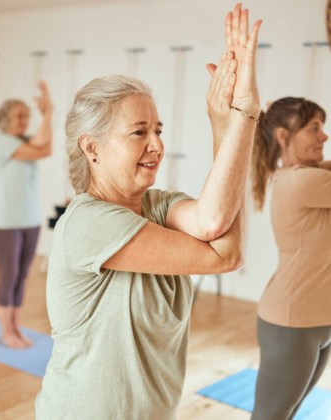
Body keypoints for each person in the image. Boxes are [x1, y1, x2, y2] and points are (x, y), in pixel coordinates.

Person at [35, 4, 262, 419]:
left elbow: (215, 219)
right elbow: (223, 249)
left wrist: (224, 121)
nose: (155, 144)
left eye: (157, 130)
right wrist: (244, 117)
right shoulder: (88, 222)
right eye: (138, 132)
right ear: (92, 148)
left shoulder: (159, 206)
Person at [250, 97, 329, 420]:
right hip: (291, 323)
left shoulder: (309, 176)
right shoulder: (301, 181)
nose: (324, 136)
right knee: (272, 414)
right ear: (284, 137)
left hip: (319, 319)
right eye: (314, 128)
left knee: (289, 411)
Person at [0, 81, 53, 349]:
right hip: (5, 223)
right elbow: (42, 146)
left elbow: (46, 147)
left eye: (27, 116)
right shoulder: (3, 143)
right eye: (19, 116)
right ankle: (6, 332)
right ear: (5, 121)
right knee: (9, 275)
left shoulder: (24, 142)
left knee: (22, 275)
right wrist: (47, 114)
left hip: (30, 221)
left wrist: (48, 113)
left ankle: (16, 327)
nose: (24, 121)